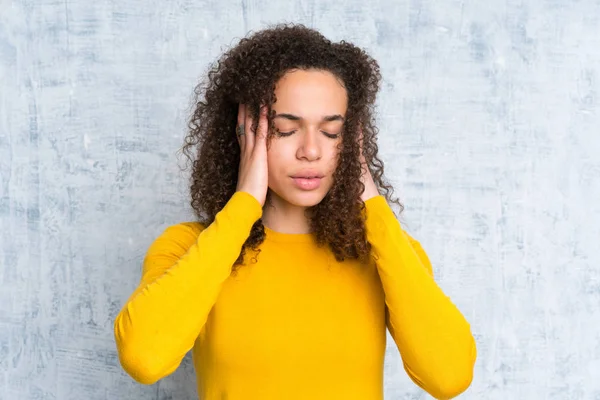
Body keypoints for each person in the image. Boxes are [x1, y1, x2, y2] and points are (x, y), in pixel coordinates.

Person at [113, 24, 477, 400]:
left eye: (332, 133)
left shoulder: (387, 253)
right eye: (286, 129)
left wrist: (371, 203)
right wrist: (243, 205)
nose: (311, 151)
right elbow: (144, 358)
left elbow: (448, 377)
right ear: (242, 132)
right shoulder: (189, 248)